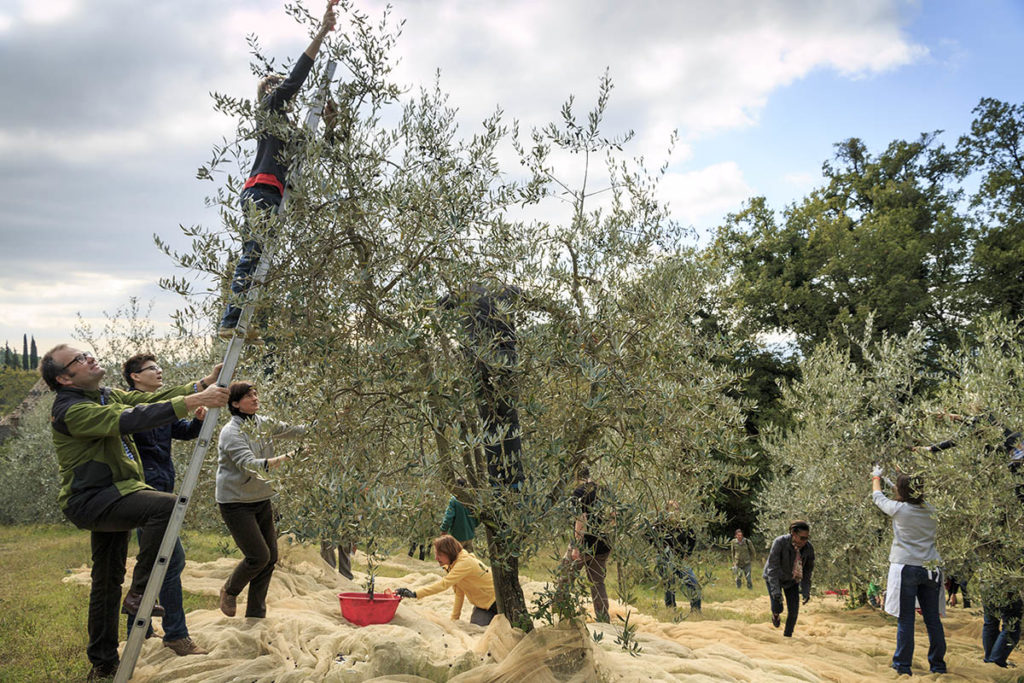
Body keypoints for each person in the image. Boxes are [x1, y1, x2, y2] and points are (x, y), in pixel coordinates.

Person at [40, 345, 227, 680]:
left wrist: (200, 385)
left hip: (118, 493)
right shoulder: (71, 410)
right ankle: (141, 595)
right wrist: (196, 401)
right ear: (64, 378)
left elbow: (145, 403)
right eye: (79, 359)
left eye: (86, 353)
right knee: (168, 507)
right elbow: (129, 419)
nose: (90, 357)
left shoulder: (105, 394)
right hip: (91, 500)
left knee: (107, 580)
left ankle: (103, 663)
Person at [218, 1, 337, 338]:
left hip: (274, 194)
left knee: (257, 258)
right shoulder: (269, 110)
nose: (280, 90)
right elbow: (294, 81)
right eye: (274, 87)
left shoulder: (288, 131)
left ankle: (240, 319)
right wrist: (320, 33)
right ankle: (230, 323)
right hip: (261, 191)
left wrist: (330, 125)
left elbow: (315, 155)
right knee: (253, 253)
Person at [120, 353, 209, 656]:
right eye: (151, 369)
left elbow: (180, 431)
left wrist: (196, 422)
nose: (159, 372)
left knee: (154, 561)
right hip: (145, 495)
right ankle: (175, 634)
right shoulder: (132, 409)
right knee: (170, 561)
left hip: (163, 491)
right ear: (135, 377)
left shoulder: (160, 408)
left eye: (159, 367)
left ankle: (138, 628)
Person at [217, 382, 307, 618]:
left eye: (255, 394)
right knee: (258, 556)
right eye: (248, 396)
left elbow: (294, 430)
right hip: (235, 502)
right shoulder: (231, 433)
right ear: (235, 403)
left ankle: (256, 614)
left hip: (261, 498)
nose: (255, 398)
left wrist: (330, 422)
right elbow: (250, 466)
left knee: (270, 558)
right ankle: (229, 590)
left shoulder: (262, 423)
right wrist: (291, 457)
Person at [872, 466, 947, 676]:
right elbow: (906, 494)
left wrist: (876, 476)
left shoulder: (898, 509)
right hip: (931, 569)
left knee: (906, 619)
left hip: (906, 567)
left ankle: (903, 665)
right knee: (933, 619)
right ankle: (938, 665)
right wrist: (892, 480)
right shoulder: (931, 510)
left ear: (902, 491)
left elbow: (877, 496)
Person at [395, 534, 498, 625]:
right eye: (435, 554)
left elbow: (443, 585)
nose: (436, 558)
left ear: (449, 553)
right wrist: (454, 619)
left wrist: (415, 594)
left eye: (439, 555)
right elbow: (459, 592)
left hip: (496, 601)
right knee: (476, 627)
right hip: (482, 605)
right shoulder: (451, 565)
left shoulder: (464, 563)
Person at [558, 467, 613, 622]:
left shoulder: (580, 492)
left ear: (576, 476)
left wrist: (576, 547)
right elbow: (614, 515)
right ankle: (604, 621)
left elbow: (581, 520)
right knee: (597, 584)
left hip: (585, 545)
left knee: (564, 578)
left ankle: (560, 617)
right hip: (603, 545)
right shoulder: (604, 490)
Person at [763, 520, 815, 637]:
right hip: (774, 577)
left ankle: (787, 636)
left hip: (792, 580)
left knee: (793, 611)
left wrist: (806, 590)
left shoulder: (808, 548)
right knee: (778, 606)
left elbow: (807, 572)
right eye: (802, 538)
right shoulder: (779, 542)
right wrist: (776, 591)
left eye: (807, 538)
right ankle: (775, 614)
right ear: (793, 534)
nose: (805, 541)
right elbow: (772, 568)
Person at [647, 500, 701, 612]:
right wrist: (659, 550)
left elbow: (693, 539)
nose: (674, 512)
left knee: (693, 582)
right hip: (664, 558)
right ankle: (671, 609)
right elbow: (649, 536)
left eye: (676, 509)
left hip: (679, 560)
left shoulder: (683, 523)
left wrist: (688, 553)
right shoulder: (660, 523)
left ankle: (696, 610)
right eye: (672, 509)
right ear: (666, 510)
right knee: (669, 585)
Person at [980, 582, 1022, 668]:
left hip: (986, 585)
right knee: (1011, 627)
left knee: (990, 624)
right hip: (1007, 587)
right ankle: (996, 662)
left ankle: (990, 660)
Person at [439, 478, 478, 552]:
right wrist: (472, 526)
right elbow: (477, 519)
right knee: (469, 560)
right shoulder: (471, 500)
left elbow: (448, 517)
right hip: (469, 537)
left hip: (457, 538)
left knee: (456, 560)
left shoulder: (454, 500)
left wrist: (444, 530)